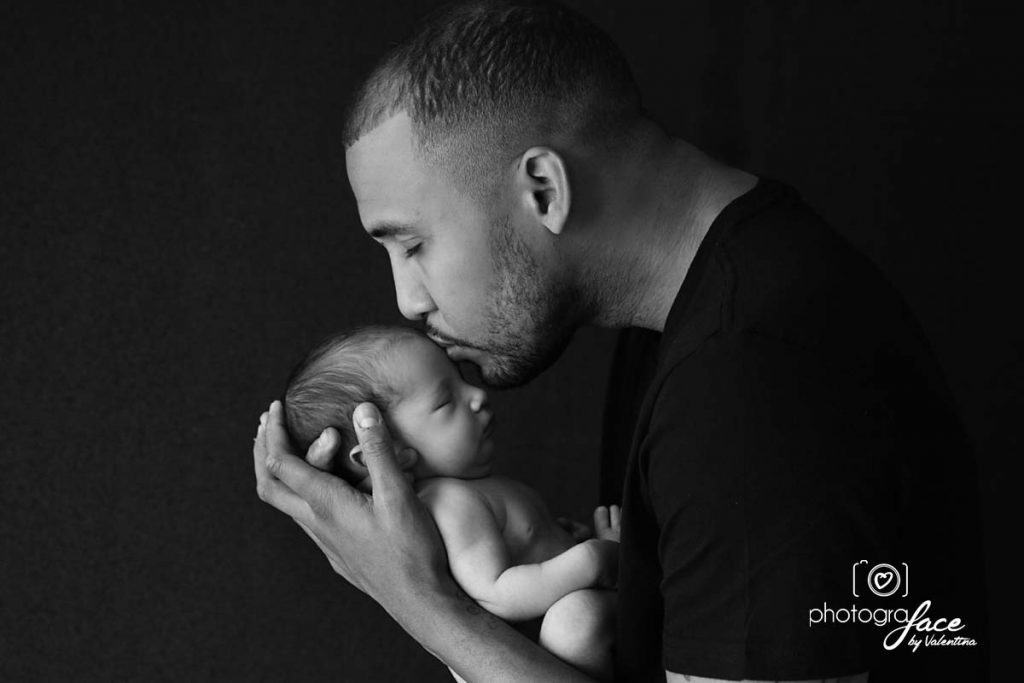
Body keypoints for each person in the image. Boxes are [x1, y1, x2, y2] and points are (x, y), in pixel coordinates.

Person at [253, 0, 988, 680]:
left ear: (544, 189)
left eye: (411, 244)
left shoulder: (747, 379)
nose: (407, 299)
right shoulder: (689, 320)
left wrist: (422, 601)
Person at [282, 325, 619, 680]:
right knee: (576, 620)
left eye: (460, 380)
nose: (477, 395)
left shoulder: (475, 489)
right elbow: (497, 593)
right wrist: (592, 559)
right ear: (388, 451)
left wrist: (563, 539)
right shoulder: (447, 504)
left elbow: (526, 547)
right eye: (446, 401)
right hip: (530, 663)